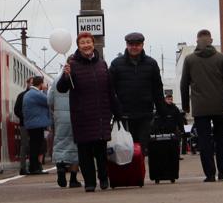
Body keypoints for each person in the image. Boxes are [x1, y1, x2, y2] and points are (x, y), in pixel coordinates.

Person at [57, 32, 122, 192]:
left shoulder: (102, 64)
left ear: (93, 44)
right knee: (85, 152)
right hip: (82, 116)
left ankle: (104, 177)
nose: (86, 45)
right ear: (78, 46)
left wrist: (117, 111)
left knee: (101, 151)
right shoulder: (72, 65)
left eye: (88, 42)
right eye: (82, 43)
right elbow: (62, 88)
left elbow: (110, 90)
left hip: (101, 115)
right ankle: (90, 182)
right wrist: (66, 76)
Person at [180, 28, 223, 182]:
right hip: (219, 106)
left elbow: (183, 84)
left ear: (197, 41)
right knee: (221, 139)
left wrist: (186, 106)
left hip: (200, 108)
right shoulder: (220, 58)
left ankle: (209, 174)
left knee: (204, 141)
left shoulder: (189, 60)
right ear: (211, 41)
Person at [109, 32, 164, 169]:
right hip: (124, 114)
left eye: (137, 45)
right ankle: (128, 172)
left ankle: (138, 172)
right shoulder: (116, 64)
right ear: (127, 45)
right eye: (131, 44)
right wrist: (113, 110)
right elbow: (110, 89)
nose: (134, 47)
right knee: (125, 146)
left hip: (145, 113)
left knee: (142, 147)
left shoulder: (151, 64)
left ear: (142, 45)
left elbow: (158, 89)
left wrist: (162, 111)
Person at [48, 71, 81, 188]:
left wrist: (56, 112)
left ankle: (61, 169)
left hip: (60, 118)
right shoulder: (80, 77)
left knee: (60, 143)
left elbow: (50, 100)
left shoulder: (56, 80)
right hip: (78, 116)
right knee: (76, 146)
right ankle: (73, 179)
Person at [21, 76, 50, 175]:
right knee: (36, 146)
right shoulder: (35, 94)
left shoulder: (29, 93)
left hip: (32, 124)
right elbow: (48, 101)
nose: (44, 86)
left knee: (35, 146)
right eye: (43, 84)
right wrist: (46, 90)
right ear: (40, 84)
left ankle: (34, 167)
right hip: (36, 124)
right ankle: (34, 168)